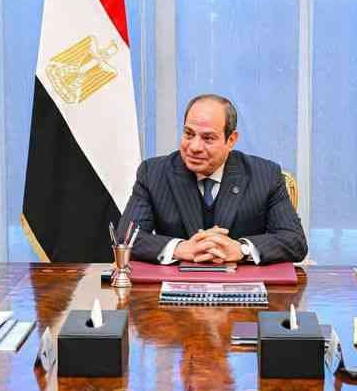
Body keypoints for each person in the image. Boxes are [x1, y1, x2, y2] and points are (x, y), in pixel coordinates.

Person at [119, 94, 307, 265]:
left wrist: (241, 249)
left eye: (208, 138)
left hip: (242, 287)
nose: (194, 147)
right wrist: (180, 248)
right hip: (175, 286)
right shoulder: (153, 173)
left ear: (231, 140)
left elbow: (294, 241)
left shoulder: (265, 175)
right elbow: (125, 238)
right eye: (188, 134)